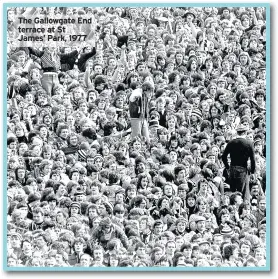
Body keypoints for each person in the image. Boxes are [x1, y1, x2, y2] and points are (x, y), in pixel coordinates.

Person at [222, 124, 256, 201]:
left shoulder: (231, 142)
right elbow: (253, 160)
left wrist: (227, 167)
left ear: (237, 132)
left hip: (232, 169)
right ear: (245, 132)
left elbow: (223, 157)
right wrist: (253, 172)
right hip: (243, 169)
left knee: (233, 191)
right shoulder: (249, 143)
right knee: (243, 193)